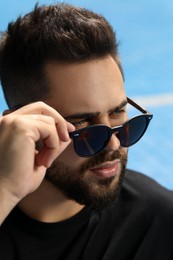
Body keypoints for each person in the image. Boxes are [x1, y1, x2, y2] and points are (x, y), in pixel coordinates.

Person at [0, 3, 173, 260]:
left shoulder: (158, 221)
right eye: (81, 122)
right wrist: (5, 191)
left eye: (118, 112)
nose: (113, 145)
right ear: (23, 124)